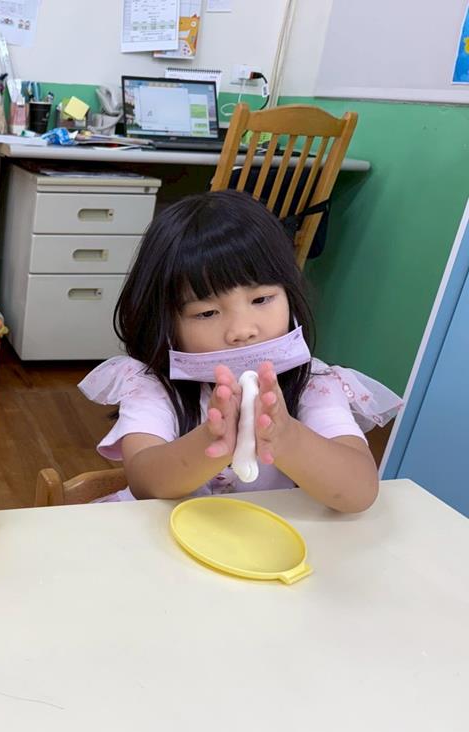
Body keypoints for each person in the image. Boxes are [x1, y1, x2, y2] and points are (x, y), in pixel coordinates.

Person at [80, 190, 401, 513]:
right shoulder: (152, 385)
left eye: (261, 299)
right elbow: (145, 482)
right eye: (207, 313)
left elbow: (359, 491)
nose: (242, 330)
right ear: (165, 323)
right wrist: (211, 442)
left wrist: (287, 436)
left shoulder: (313, 383)